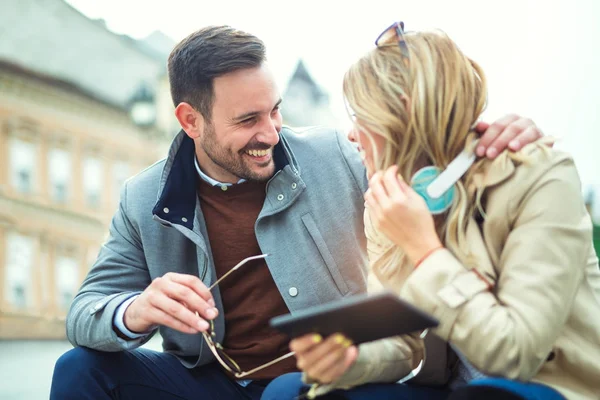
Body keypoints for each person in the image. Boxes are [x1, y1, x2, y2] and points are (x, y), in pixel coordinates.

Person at [50, 25, 547, 400]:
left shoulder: (339, 156)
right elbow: (86, 309)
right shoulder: (143, 198)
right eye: (248, 120)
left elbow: (433, 164)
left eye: (275, 110)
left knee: (286, 392)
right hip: (215, 383)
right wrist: (133, 312)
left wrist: (494, 132)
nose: (270, 132)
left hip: (335, 376)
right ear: (190, 120)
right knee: (79, 369)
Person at [261, 22, 600, 400]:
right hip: (448, 388)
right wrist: (352, 359)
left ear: (404, 112)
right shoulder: (387, 202)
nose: (351, 134)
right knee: (290, 390)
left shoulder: (539, 178)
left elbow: (514, 356)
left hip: (541, 388)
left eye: (362, 116)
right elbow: (404, 343)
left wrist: (424, 249)